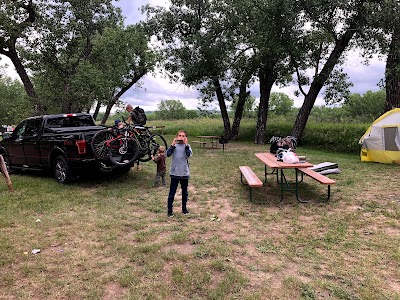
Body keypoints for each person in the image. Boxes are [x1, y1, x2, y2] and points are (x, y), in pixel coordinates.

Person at [166, 130, 193, 217]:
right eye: (179, 135)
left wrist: (186, 145)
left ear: (185, 137)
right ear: (177, 137)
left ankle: (184, 209)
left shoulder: (187, 146)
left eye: (183, 136)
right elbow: (168, 154)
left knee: (184, 192)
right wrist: (172, 145)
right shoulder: (174, 146)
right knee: (172, 193)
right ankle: (170, 211)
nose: (181, 137)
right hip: (174, 173)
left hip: (184, 173)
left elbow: (188, 155)